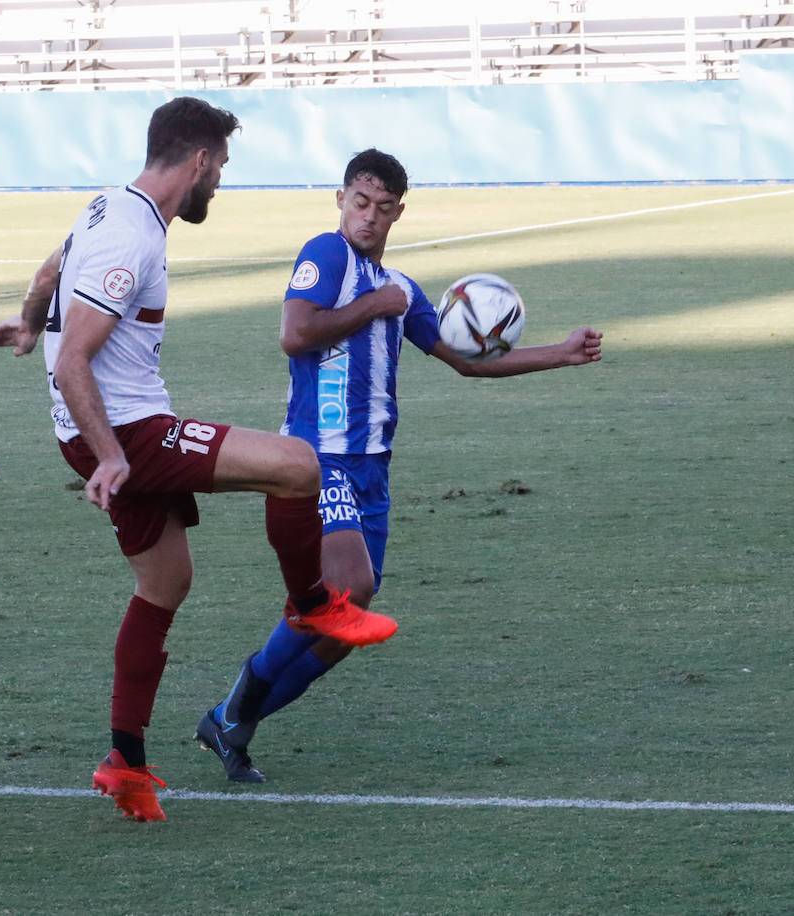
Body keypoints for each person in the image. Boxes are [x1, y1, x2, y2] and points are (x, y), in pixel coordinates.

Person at [0, 98, 398, 823]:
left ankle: (126, 761)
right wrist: (110, 457)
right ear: (198, 162)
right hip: (125, 431)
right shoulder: (133, 238)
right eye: (222, 168)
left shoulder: (112, 206)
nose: (221, 183)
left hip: (97, 430)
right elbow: (76, 354)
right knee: (299, 465)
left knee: (165, 582)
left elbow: (53, 267)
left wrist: (26, 318)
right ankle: (314, 608)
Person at [195, 148, 604, 783]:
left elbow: (466, 361)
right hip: (314, 457)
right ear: (340, 200)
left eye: (384, 208)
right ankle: (239, 706)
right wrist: (374, 306)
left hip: (372, 470)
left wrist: (562, 354)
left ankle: (227, 720)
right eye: (360, 202)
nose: (369, 217)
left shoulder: (404, 288)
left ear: (399, 213)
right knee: (348, 591)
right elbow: (294, 333)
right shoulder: (326, 256)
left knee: (342, 633)